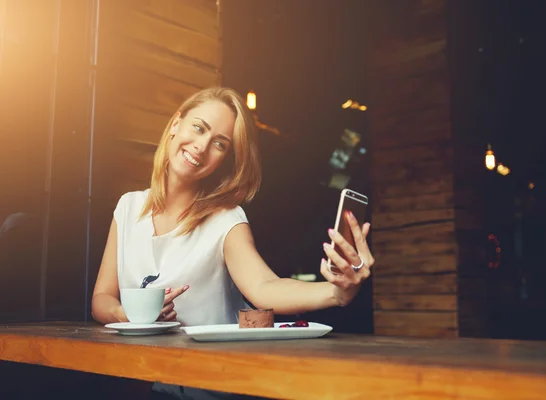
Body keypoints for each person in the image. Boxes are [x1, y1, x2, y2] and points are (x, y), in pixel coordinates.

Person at [91, 87, 375, 399]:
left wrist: (337, 292)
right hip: (140, 381)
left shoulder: (225, 219)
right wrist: (129, 316)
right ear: (176, 124)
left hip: (210, 387)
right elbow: (102, 297)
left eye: (219, 144)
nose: (201, 147)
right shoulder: (128, 208)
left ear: (223, 160)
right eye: (198, 128)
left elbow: (265, 287)